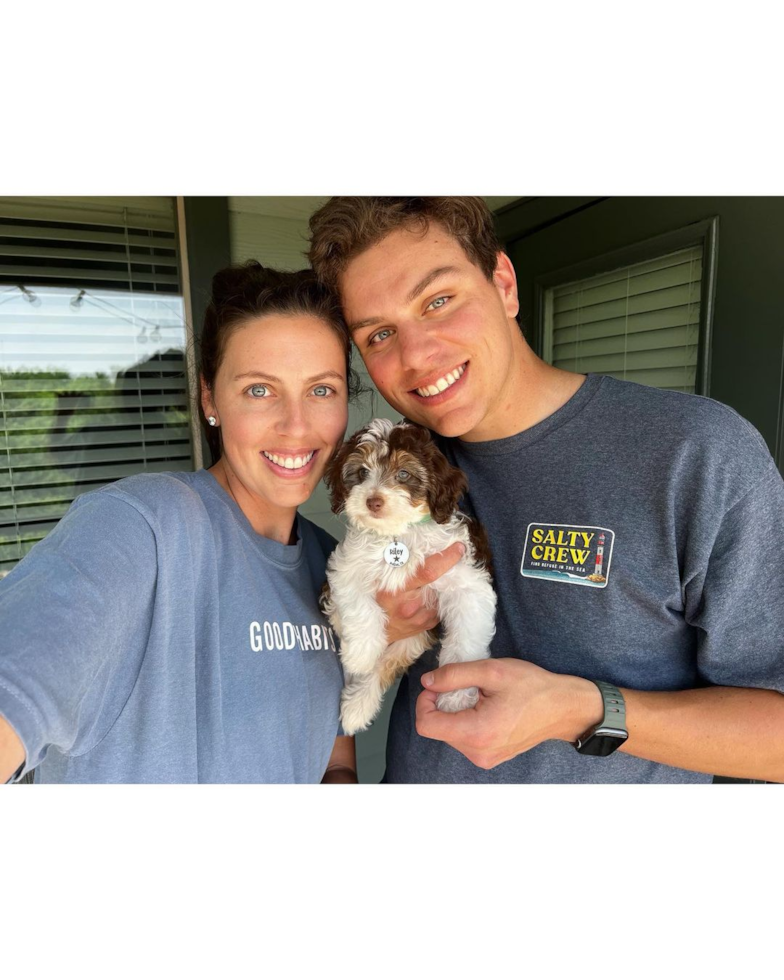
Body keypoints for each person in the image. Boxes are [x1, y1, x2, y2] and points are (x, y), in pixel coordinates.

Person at [307, 196, 784, 784]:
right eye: (379, 334)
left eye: (439, 301)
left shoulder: (698, 453)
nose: (417, 356)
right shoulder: (400, 470)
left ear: (503, 284)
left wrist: (582, 710)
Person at [0, 262, 360, 784]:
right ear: (210, 398)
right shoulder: (137, 529)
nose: (296, 425)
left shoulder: (332, 564)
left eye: (321, 389)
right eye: (260, 389)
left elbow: (333, 758)